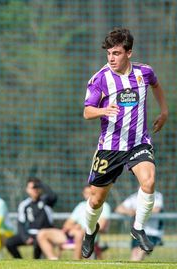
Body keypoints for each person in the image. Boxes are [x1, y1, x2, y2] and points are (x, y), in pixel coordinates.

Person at [81, 27, 168, 258]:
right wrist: (102, 110)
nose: (111, 58)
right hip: (109, 147)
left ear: (128, 53)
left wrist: (164, 111)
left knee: (149, 182)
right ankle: (90, 231)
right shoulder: (100, 79)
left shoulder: (144, 72)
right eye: (109, 53)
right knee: (96, 199)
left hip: (138, 143)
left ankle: (138, 228)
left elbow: (156, 85)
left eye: (117, 53)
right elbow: (87, 112)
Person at [37, 185, 111, 260]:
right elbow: (67, 224)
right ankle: (53, 259)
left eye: (90, 193)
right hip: (72, 233)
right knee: (42, 233)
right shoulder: (81, 206)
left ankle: (76, 260)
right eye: (86, 193)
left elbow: (101, 226)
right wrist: (75, 228)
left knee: (79, 234)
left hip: (88, 236)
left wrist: (82, 229)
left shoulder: (104, 206)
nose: (88, 195)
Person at [6, 177, 57, 259]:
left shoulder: (46, 202)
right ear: (27, 189)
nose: (35, 189)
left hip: (44, 233)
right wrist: (25, 237)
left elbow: (53, 196)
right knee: (9, 242)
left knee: (39, 240)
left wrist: (41, 185)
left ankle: (36, 263)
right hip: (30, 233)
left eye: (37, 187)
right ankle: (20, 262)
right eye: (32, 187)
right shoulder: (24, 205)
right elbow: (21, 224)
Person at [115, 190, 164, 261]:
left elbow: (156, 209)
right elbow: (119, 209)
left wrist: (138, 212)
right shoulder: (134, 196)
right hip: (138, 232)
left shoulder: (157, 195)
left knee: (141, 252)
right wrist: (129, 211)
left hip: (152, 232)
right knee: (134, 254)